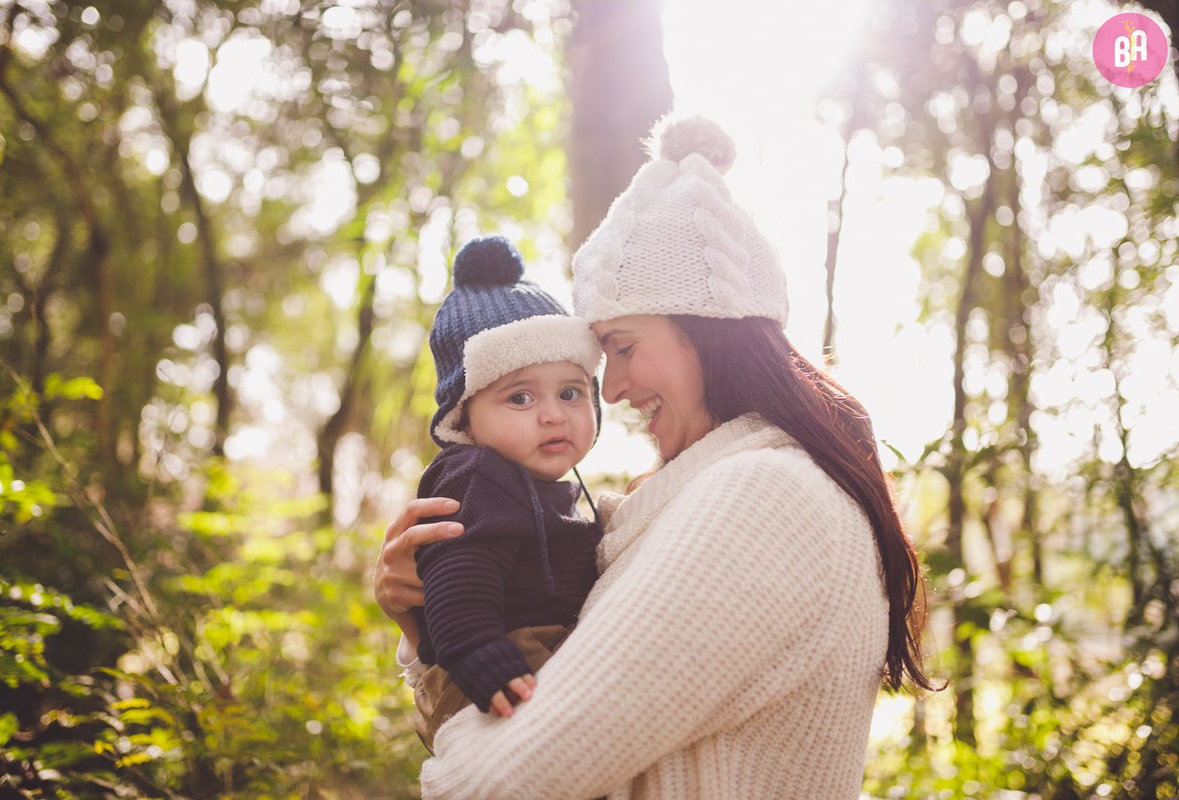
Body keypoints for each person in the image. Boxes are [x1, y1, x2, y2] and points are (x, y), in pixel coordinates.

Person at [375, 115, 932, 800]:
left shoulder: (765, 498)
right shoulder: (690, 501)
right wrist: (429, 628)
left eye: (624, 347)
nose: (611, 389)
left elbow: (491, 783)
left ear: (708, 332)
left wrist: (463, 730)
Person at [408, 234, 605, 751]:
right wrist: (476, 650)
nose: (553, 413)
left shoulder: (548, 485)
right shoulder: (476, 473)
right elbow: (458, 567)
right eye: (519, 396)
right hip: (497, 656)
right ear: (463, 416)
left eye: (571, 392)